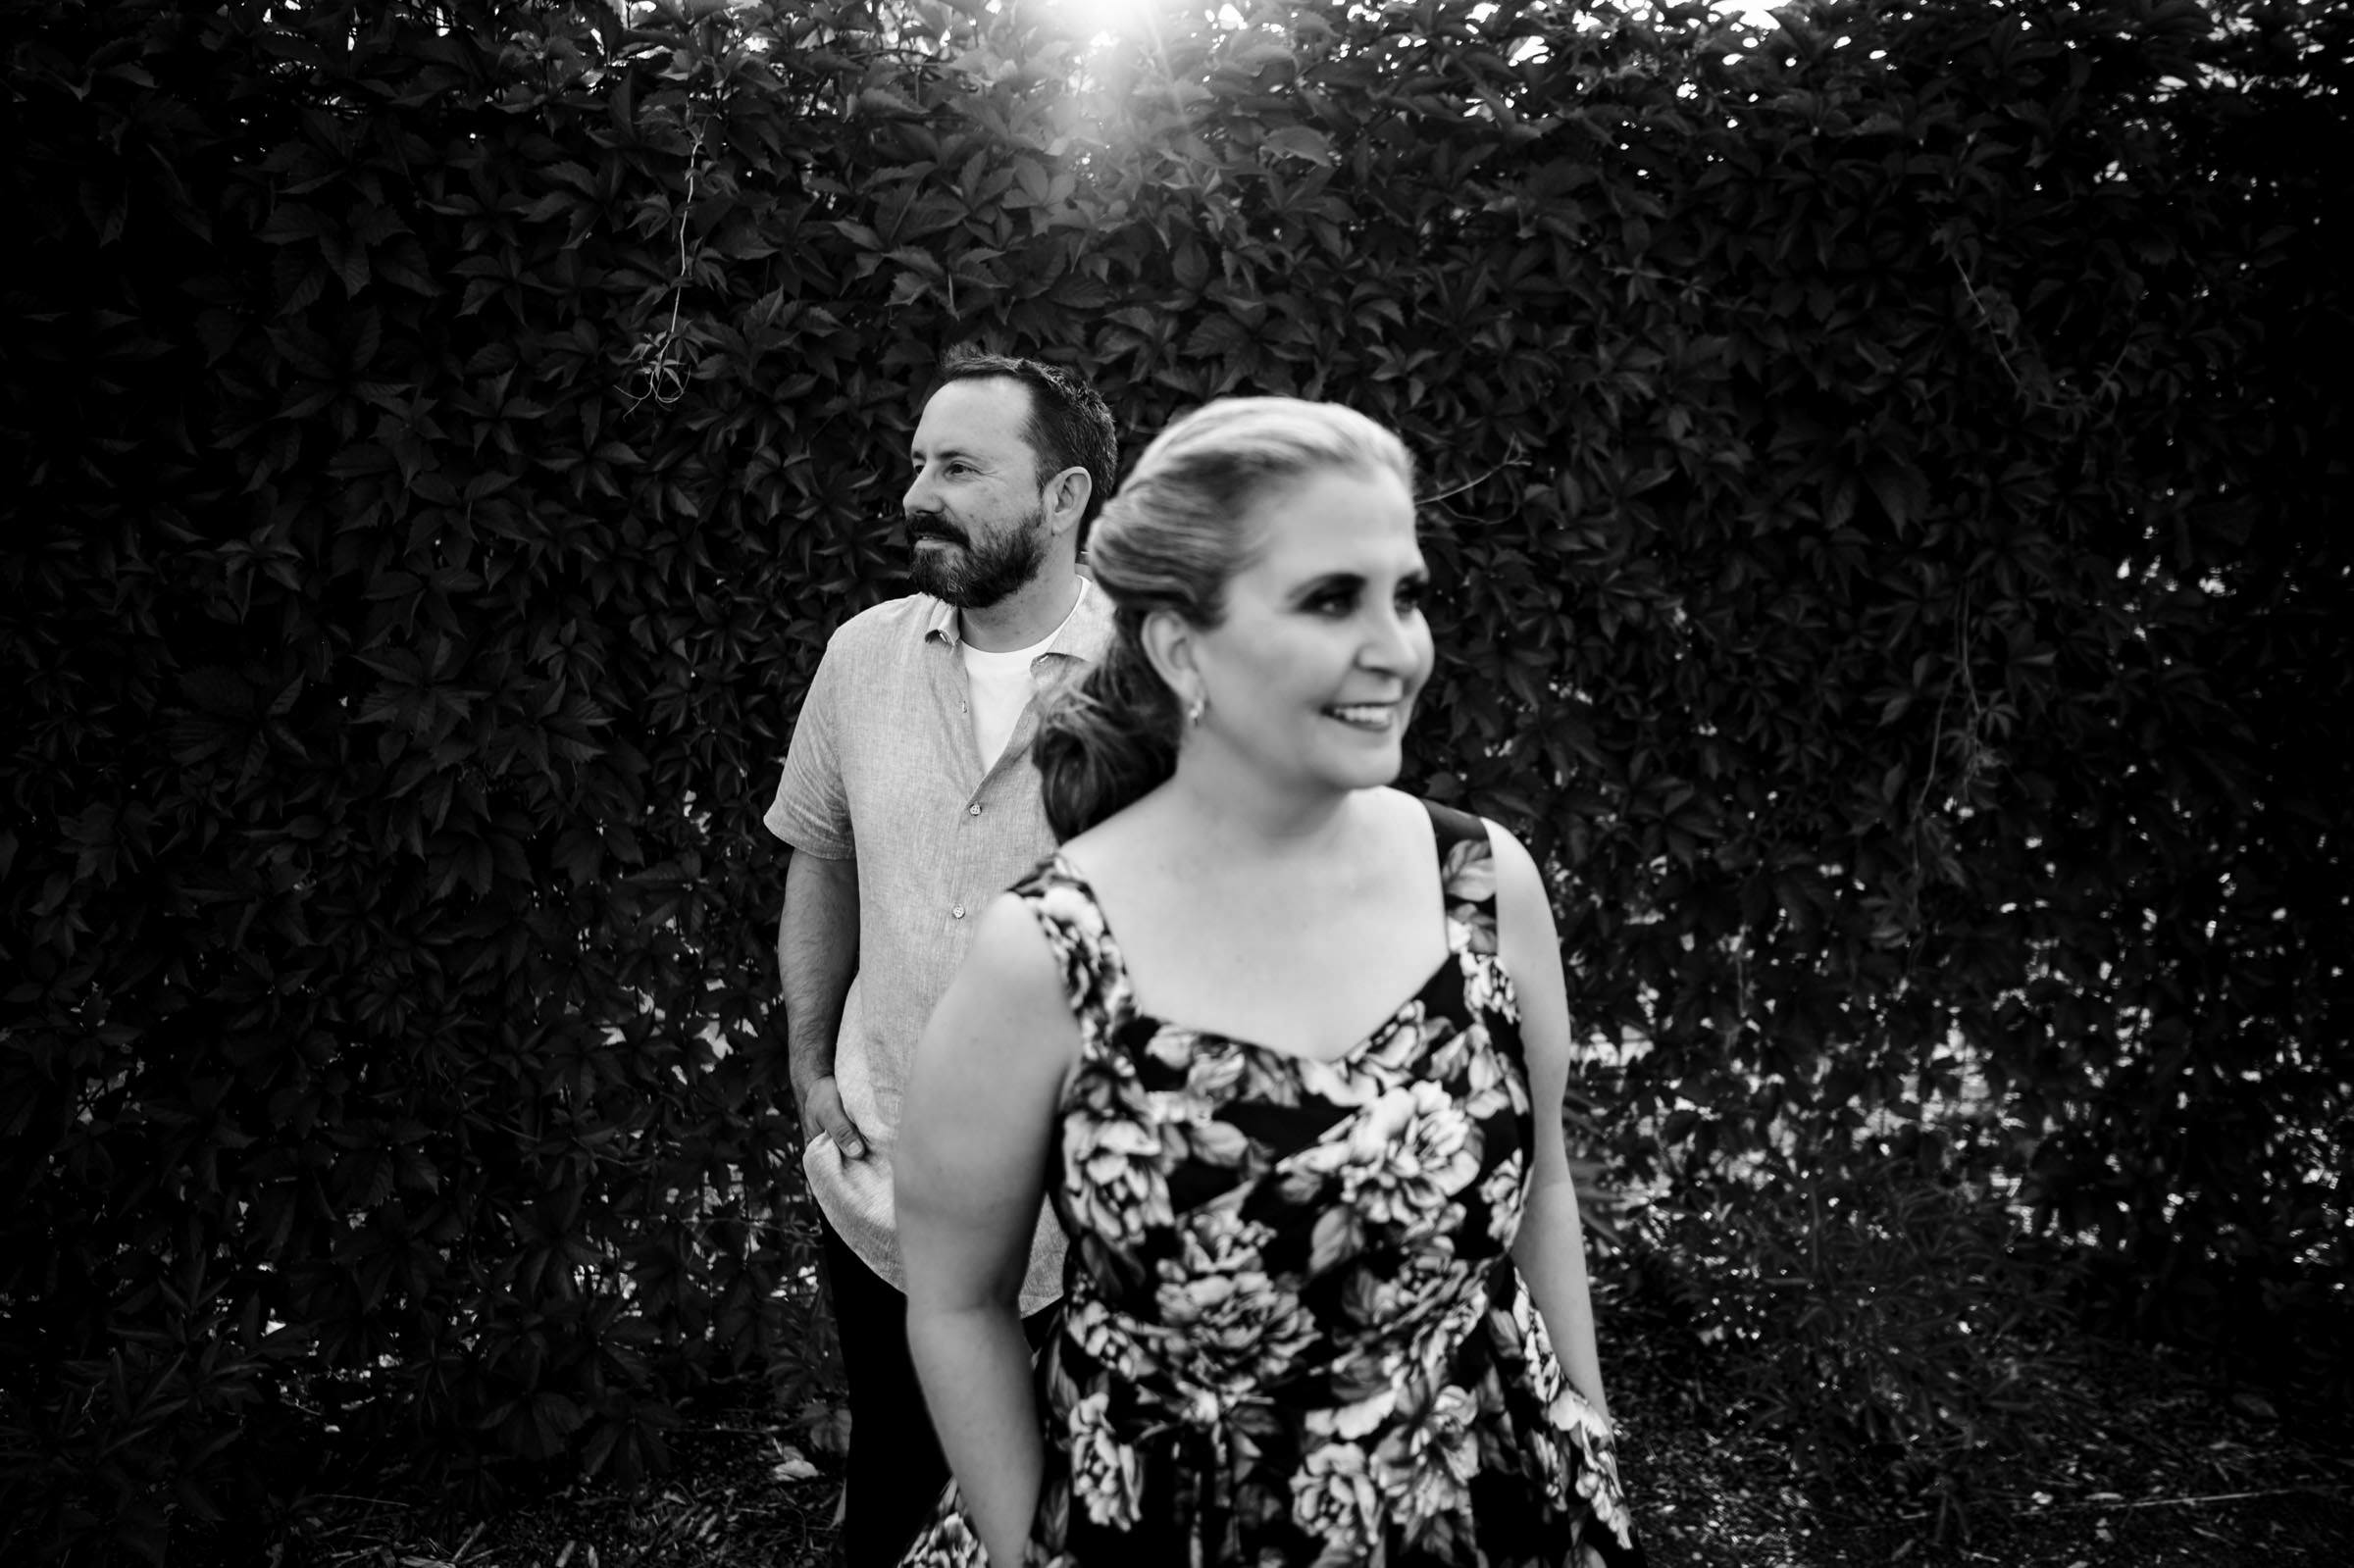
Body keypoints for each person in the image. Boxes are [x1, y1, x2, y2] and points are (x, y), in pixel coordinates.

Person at [894, 397, 1645, 1567]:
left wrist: (1588, 1435)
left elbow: (1540, 1180)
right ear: (1181, 649)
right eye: (1331, 600)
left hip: (1488, 1507)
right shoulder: (1047, 955)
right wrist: (1020, 1545)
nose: (1398, 648)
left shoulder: (1483, 883)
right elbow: (955, 1300)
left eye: (1405, 595)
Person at [764, 350, 1118, 1568]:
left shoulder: (1163, 684)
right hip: (888, 1192)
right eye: (919, 462)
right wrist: (811, 1066)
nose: (919, 494)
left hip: (1093, 1225)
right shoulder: (861, 658)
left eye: (961, 468)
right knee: (896, 1508)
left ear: (1064, 497)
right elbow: (821, 856)